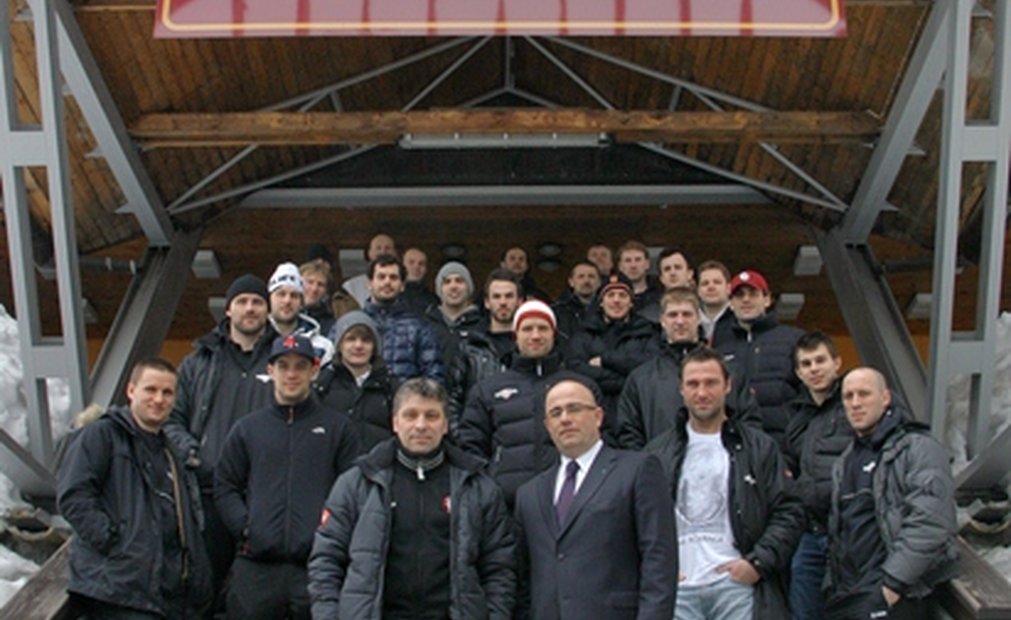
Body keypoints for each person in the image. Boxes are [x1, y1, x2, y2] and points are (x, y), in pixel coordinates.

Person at [307, 378, 516, 619]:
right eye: (411, 415)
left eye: (431, 416)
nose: (421, 425)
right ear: (395, 422)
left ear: (445, 424)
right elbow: (326, 561)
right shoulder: (357, 483)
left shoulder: (478, 487)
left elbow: (499, 569)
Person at [646, 347, 803, 620]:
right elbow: (639, 521)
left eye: (711, 383)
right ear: (681, 389)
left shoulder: (759, 447)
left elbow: (789, 510)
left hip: (737, 588)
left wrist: (757, 563)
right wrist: (658, 572)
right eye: (693, 384)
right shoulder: (656, 453)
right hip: (677, 592)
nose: (702, 392)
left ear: (728, 385)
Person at [214, 335, 359, 620]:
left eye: (300, 366)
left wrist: (330, 534)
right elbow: (225, 485)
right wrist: (246, 527)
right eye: (283, 366)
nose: (291, 374)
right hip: (256, 569)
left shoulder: (339, 429)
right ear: (270, 371)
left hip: (317, 568)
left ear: (314, 370)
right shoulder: (248, 429)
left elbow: (353, 490)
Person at [59, 358, 212, 619]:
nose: (159, 399)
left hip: (164, 595)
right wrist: (116, 545)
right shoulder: (101, 435)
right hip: (116, 591)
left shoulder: (171, 452)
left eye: (167, 392)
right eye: (150, 389)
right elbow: (74, 496)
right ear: (131, 390)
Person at [513, 377, 677, 620]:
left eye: (574, 408)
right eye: (556, 413)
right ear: (547, 426)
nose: (565, 419)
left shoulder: (637, 470)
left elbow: (659, 560)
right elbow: (524, 578)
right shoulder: (529, 494)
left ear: (598, 416)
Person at [164, 273, 278, 591]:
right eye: (242, 301)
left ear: (267, 310)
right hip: (208, 493)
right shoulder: (197, 363)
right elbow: (171, 419)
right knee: (204, 586)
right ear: (228, 309)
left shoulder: (283, 360)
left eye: (257, 302)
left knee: (256, 592)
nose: (250, 308)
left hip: (264, 494)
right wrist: (193, 454)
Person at [825, 368, 959, 620]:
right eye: (848, 396)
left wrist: (891, 586)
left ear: (885, 397)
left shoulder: (918, 447)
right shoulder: (845, 461)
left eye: (864, 394)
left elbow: (931, 522)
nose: (855, 403)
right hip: (850, 594)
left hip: (894, 595)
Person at [459, 301, 596, 505]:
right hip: (507, 506)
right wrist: (491, 488)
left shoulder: (581, 387)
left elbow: (600, 441)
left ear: (554, 334)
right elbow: (470, 446)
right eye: (527, 329)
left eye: (543, 328)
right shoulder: (487, 389)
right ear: (516, 335)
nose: (535, 335)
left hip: (571, 503)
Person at [617, 288, 759, 450]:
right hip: (660, 463)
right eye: (673, 315)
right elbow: (629, 434)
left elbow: (749, 424)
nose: (680, 321)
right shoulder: (641, 378)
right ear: (662, 320)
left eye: (687, 314)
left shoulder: (729, 372)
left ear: (698, 318)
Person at [783, 331, 853, 620]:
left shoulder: (854, 403)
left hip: (850, 531)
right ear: (799, 373)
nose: (814, 369)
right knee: (804, 610)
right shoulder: (797, 418)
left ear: (837, 363)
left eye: (820, 360)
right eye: (806, 364)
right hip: (811, 532)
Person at [712, 269, 804, 450]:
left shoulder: (794, 340)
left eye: (753, 294)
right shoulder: (720, 351)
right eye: (739, 295)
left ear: (767, 300)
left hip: (785, 446)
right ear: (730, 304)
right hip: (736, 447)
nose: (746, 300)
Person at [565, 272, 657, 437]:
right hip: (595, 415)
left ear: (631, 302)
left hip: (637, 414)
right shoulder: (584, 334)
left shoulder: (647, 332)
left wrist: (606, 360)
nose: (616, 300)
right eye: (611, 295)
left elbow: (650, 365)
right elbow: (576, 368)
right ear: (601, 302)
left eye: (622, 295)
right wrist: (625, 379)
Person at [445, 269, 522, 434]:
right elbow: (452, 399)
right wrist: (461, 438)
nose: (503, 302)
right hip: (478, 436)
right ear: (487, 302)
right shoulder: (468, 346)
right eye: (496, 297)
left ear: (519, 301)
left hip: (521, 438)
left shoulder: (530, 347)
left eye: (509, 296)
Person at [314, 311, 398, 453]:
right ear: (340, 345)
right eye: (350, 339)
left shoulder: (390, 386)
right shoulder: (323, 384)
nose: (358, 345)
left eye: (366, 340)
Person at [363, 254, 444, 383]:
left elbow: (434, 378)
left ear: (402, 286)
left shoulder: (420, 328)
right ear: (370, 283)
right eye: (381, 277)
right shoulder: (353, 325)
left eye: (393, 277)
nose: (387, 282)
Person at [268, 262, 334, 364]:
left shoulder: (323, 346)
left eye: (294, 295)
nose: (287, 301)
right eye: (281, 294)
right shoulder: (254, 337)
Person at [422, 261, 482, 368]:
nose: (453, 286)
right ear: (440, 289)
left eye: (459, 281)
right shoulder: (425, 325)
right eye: (447, 282)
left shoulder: (482, 325)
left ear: (468, 287)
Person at [639, 247, 694, 323]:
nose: (672, 273)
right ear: (661, 278)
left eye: (677, 267)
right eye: (667, 269)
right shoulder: (647, 317)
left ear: (690, 274)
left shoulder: (704, 308)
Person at [342, 233, 397, 306]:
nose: (383, 252)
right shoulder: (351, 286)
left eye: (388, 248)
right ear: (369, 253)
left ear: (395, 253)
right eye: (378, 248)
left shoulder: (402, 285)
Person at [551, 260, 601, 339]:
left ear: (599, 282)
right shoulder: (557, 311)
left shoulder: (608, 311)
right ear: (571, 282)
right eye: (581, 276)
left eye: (591, 276)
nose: (586, 281)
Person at [616, 240, 661, 315]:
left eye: (638, 260)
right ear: (620, 266)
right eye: (628, 261)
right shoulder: (612, 295)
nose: (633, 265)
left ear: (647, 264)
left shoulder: (660, 291)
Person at [696, 260, 733, 342]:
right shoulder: (689, 321)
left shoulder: (739, 319)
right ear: (698, 291)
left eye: (717, 282)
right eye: (705, 283)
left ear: (728, 288)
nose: (711, 287)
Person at [300, 260, 336, 337]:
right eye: (310, 282)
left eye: (320, 284)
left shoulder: (330, 325)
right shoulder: (286, 315)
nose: (314, 289)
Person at [401, 247, 439, 314]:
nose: (416, 267)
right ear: (402, 265)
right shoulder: (391, 294)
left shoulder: (433, 300)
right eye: (411, 262)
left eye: (421, 264)